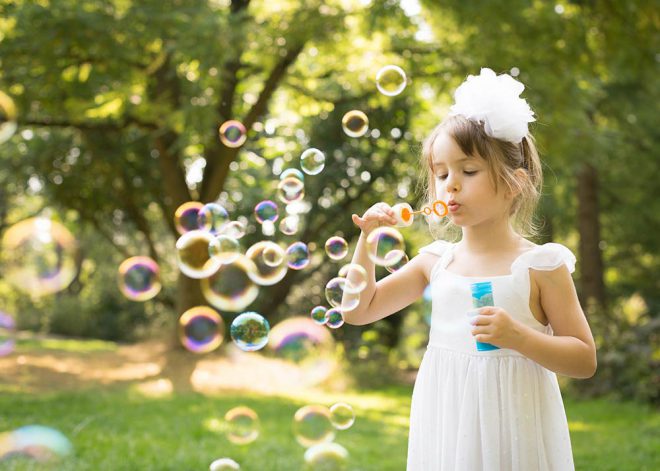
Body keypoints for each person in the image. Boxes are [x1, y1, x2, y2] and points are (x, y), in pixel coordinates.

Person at [344, 68, 596, 470]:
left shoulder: (540, 265)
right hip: (447, 419)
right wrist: (368, 240)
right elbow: (359, 310)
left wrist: (519, 337)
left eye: (469, 171)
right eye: (441, 174)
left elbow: (584, 359)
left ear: (514, 183)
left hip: (515, 430)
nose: (450, 186)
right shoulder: (435, 262)